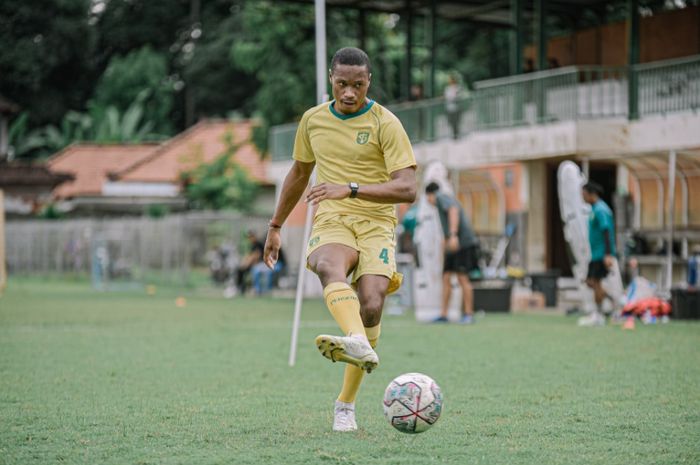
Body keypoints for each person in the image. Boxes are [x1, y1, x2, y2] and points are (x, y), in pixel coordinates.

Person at [262, 47, 416, 432]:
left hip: (377, 222)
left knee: (372, 306)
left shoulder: (386, 123)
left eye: (358, 85)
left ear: (369, 83)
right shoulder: (313, 120)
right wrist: (276, 225)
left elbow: (408, 188)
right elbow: (299, 174)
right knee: (329, 265)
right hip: (332, 217)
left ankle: (345, 403)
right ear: (331, 79)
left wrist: (349, 188)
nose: (349, 93)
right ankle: (355, 342)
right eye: (342, 84)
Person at [425, 182, 479, 324]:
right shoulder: (440, 203)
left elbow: (453, 210)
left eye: (427, 198)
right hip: (452, 244)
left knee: (462, 278)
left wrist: (453, 235)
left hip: (462, 243)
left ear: (430, 195)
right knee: (446, 277)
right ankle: (444, 314)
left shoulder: (441, 197)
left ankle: (468, 314)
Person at [579, 181, 617, 326]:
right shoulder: (594, 209)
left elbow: (606, 230)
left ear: (590, 194)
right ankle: (612, 300)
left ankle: (599, 315)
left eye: (583, 194)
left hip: (601, 253)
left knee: (596, 282)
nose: (582, 197)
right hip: (595, 253)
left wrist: (608, 254)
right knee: (591, 282)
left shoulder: (601, 209)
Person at [235, 230, 264, 295]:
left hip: (261, 263)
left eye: (250, 237)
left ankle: (254, 289)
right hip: (254, 264)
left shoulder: (258, 244)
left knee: (243, 270)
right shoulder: (252, 245)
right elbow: (249, 255)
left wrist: (246, 264)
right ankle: (240, 288)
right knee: (239, 270)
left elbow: (256, 256)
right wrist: (244, 262)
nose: (249, 239)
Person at [444, 74, 461, 140]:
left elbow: (456, 96)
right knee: (451, 122)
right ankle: (453, 135)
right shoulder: (447, 88)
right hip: (449, 108)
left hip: (456, 108)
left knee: (456, 122)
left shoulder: (457, 87)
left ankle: (456, 135)